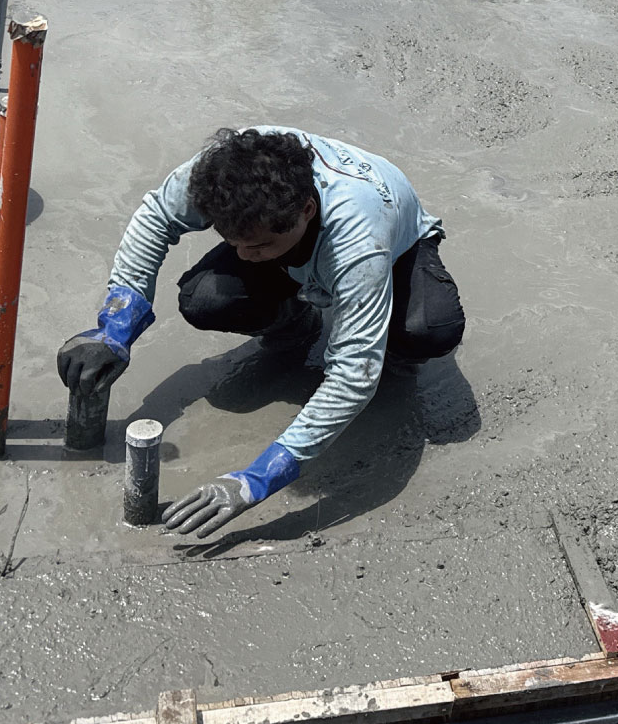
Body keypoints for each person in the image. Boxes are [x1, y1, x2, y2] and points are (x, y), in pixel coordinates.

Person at [57, 128, 466, 538]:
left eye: (257, 246)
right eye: (233, 241)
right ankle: (296, 324)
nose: (243, 256)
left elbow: (353, 376)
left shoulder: (359, 241)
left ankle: (395, 350)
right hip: (291, 235)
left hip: (396, 245)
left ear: (306, 210)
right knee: (204, 299)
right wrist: (116, 327)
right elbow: (157, 216)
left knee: (427, 329)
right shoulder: (226, 173)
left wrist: (258, 478)